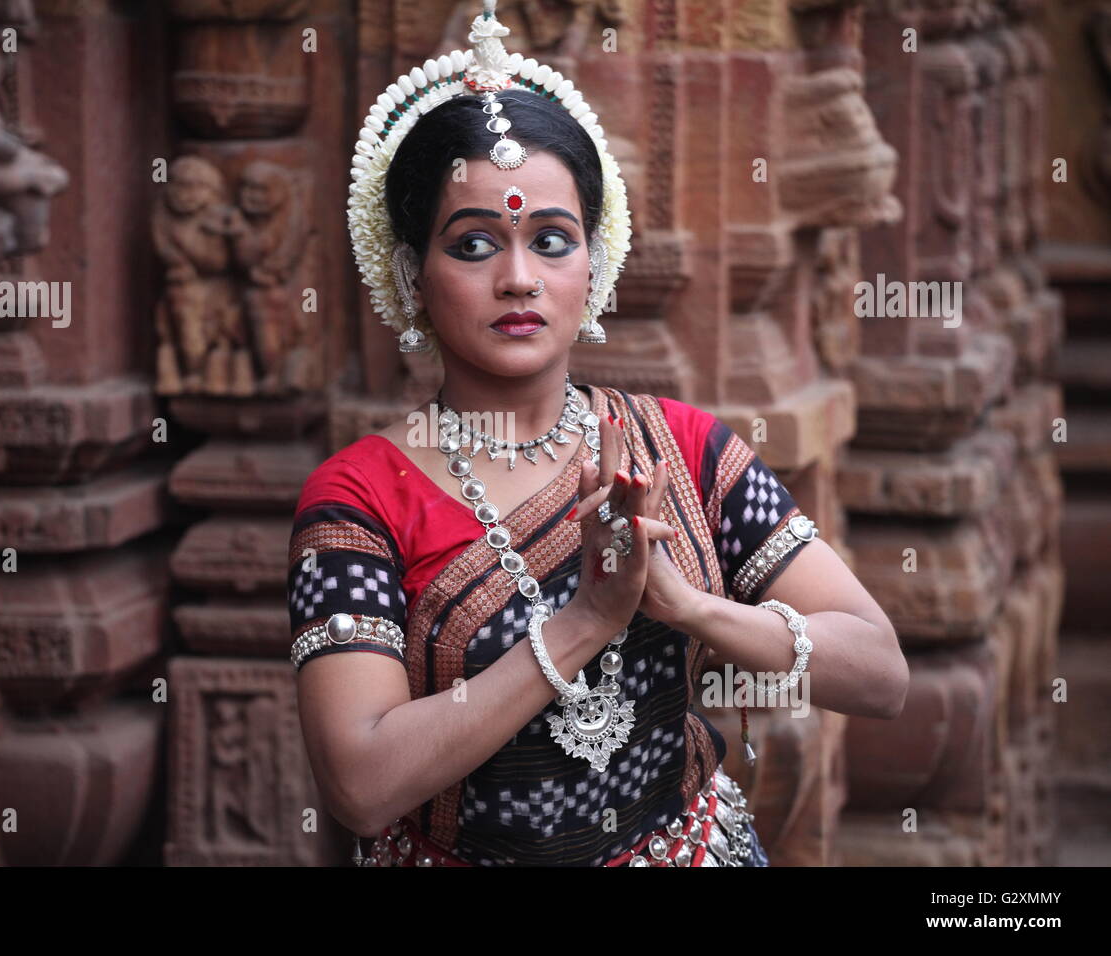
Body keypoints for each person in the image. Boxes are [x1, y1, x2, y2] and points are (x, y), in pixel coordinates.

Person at [286, 0, 908, 867]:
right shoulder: (357, 498)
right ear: (410, 273)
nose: (518, 279)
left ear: (595, 263)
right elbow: (360, 784)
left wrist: (687, 607)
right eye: (472, 245)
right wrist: (585, 622)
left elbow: (879, 672)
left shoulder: (683, 449)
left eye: (551, 239)